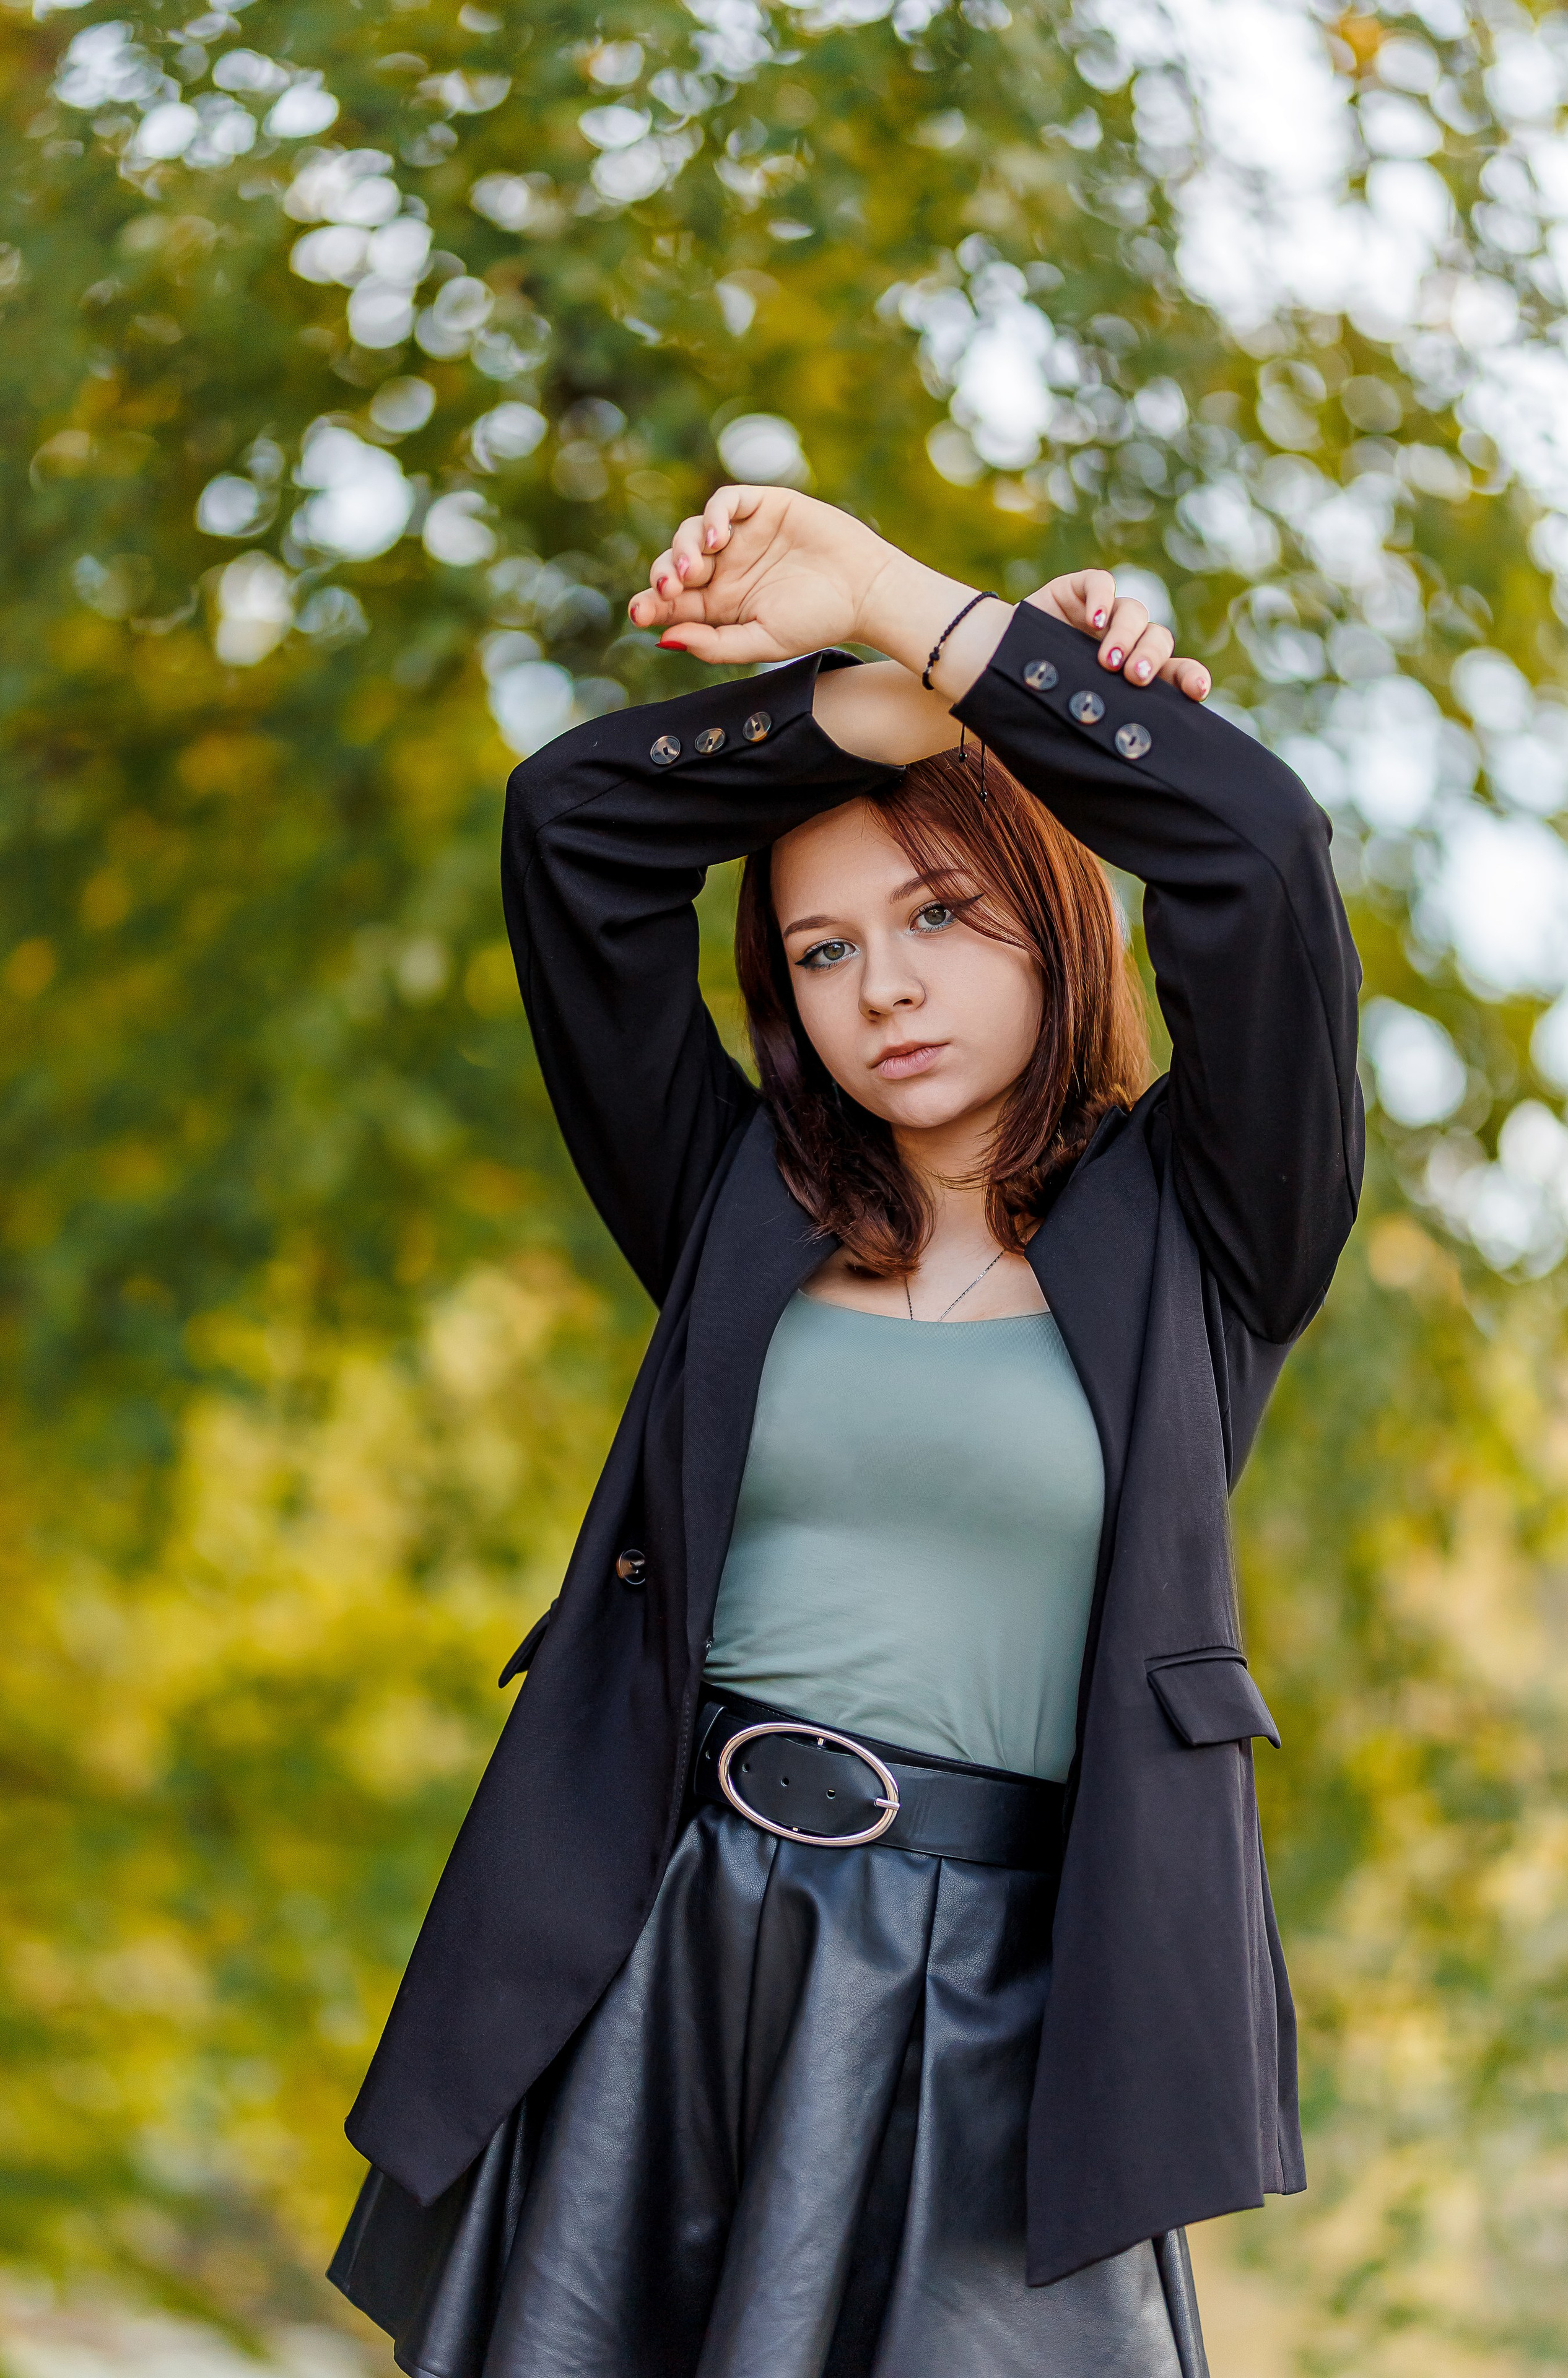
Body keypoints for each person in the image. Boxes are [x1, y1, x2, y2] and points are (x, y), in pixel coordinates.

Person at [329, 487, 1364, 2378]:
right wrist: (889, 712)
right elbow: (571, 826)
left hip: (996, 1992)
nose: (880, 986)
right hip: (653, 1948)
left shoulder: (1213, 1235)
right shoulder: (734, 1202)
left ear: (1054, 921)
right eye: (819, 951)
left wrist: (920, 612)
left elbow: (1256, 851)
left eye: (939, 914)